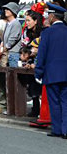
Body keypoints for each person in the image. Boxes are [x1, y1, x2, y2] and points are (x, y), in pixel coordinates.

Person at [35, 8, 67, 138]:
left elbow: (41, 54)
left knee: (54, 102)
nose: (47, 18)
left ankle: (57, 129)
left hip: (52, 73)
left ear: (53, 17)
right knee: (65, 102)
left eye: (48, 16)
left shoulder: (47, 33)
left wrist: (38, 72)